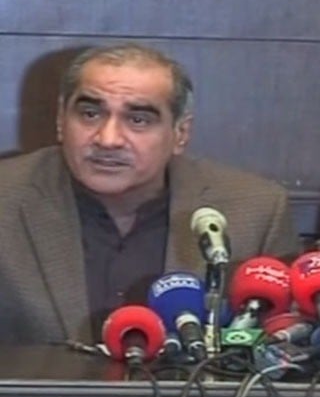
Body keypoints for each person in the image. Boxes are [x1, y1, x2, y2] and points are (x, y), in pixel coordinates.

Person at [0, 43, 298, 344]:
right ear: (60, 121)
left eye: (138, 120)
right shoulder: (7, 196)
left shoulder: (255, 211)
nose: (108, 139)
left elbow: (278, 349)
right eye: (90, 114)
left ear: (180, 133)